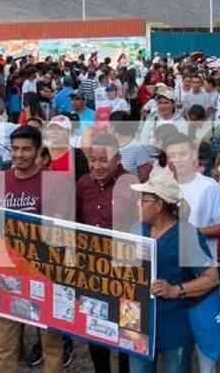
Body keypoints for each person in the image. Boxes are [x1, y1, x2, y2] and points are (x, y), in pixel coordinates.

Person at [0, 126, 65, 373]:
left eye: (26, 149)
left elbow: (62, 228)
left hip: (44, 271)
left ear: (38, 151)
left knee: (50, 342)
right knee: (6, 341)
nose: (19, 154)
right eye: (15, 149)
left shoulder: (54, 182)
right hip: (8, 270)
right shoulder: (1, 179)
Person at [128, 175, 219, 373]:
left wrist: (176, 290)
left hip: (174, 327)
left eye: (144, 200)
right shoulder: (137, 229)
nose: (138, 204)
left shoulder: (186, 235)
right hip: (138, 325)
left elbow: (212, 278)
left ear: (159, 205)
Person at [76, 132, 138, 373]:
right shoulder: (83, 183)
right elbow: (76, 221)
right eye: (92, 160)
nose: (97, 166)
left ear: (118, 158)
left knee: (127, 329)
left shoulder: (132, 183)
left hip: (127, 269)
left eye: (104, 160)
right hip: (93, 270)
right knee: (95, 326)